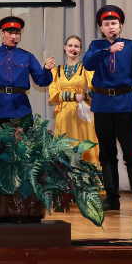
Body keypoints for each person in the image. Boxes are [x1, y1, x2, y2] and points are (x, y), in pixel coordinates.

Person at [83, 5, 132, 212]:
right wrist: (108, 51)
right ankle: (112, 198)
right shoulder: (96, 46)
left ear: (120, 25)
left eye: (114, 23)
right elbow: (88, 64)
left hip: (125, 103)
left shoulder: (131, 46)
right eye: (106, 24)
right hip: (102, 104)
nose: (111, 27)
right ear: (101, 28)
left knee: (131, 152)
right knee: (106, 153)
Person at [0, 16, 56, 127]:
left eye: (17, 33)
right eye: (10, 33)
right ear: (2, 33)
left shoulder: (27, 56)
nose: (14, 37)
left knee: (22, 139)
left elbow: (41, 81)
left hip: (21, 109)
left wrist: (47, 69)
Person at [49, 35, 100, 167]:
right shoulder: (57, 71)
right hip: (63, 114)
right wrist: (73, 96)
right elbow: (53, 94)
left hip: (82, 114)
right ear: (65, 48)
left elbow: (98, 87)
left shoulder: (86, 69)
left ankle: (89, 178)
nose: (73, 48)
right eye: (70, 45)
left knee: (84, 144)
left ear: (80, 50)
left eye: (76, 46)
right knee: (64, 146)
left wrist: (86, 96)